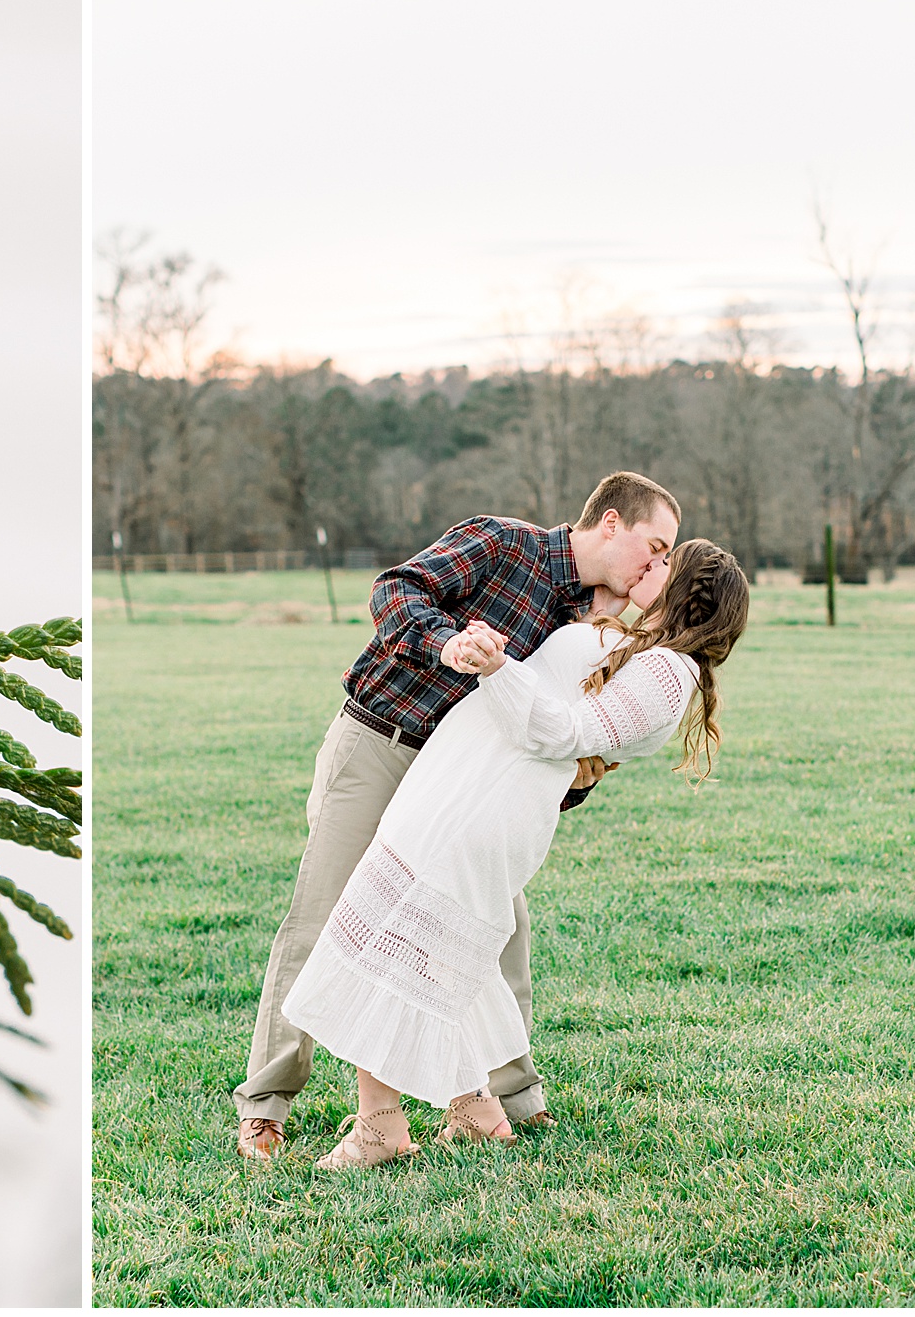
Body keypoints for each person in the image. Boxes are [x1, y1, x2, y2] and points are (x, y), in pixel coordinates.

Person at [235, 471, 681, 1161]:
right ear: (612, 522)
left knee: (498, 929)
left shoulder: (593, 619)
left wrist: (581, 778)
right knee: (326, 911)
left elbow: (556, 730)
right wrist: (445, 643)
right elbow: (395, 590)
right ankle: (266, 1104)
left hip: (463, 792)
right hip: (383, 741)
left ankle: (507, 1097)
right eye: (653, 548)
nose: (656, 566)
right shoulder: (504, 544)